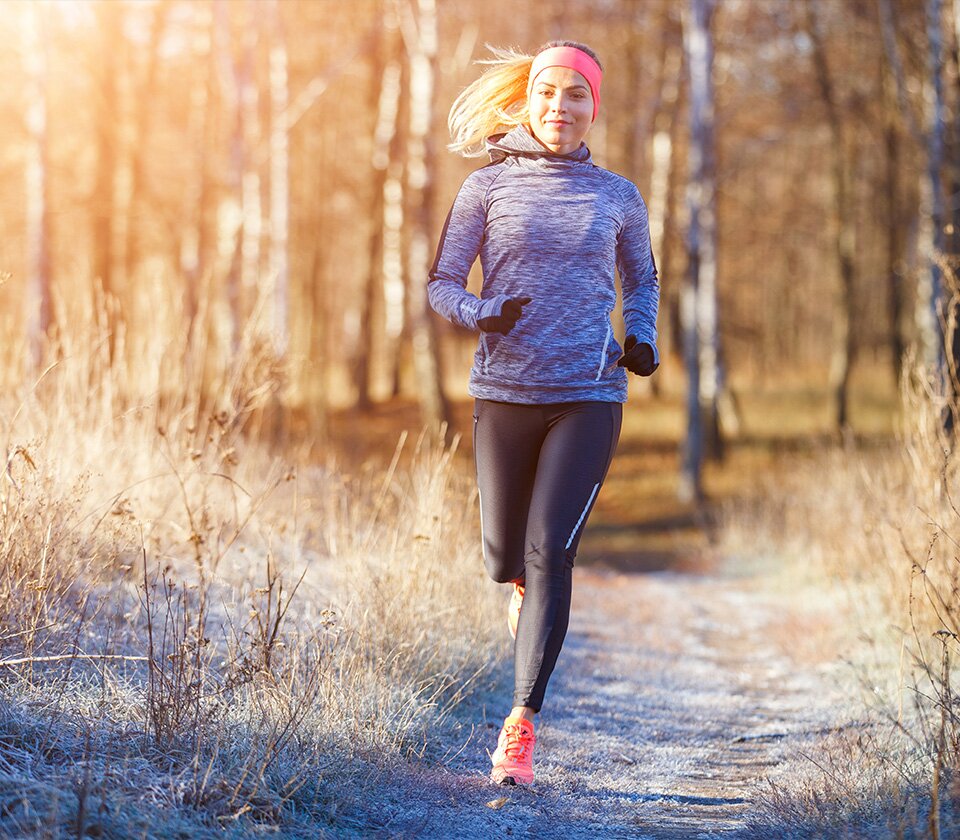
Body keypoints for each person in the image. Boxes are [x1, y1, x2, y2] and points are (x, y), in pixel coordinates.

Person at [427, 40, 660, 787]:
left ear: (596, 106)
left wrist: (642, 338)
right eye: (549, 93)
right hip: (505, 392)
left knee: (548, 551)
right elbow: (440, 283)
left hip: (589, 394)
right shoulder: (485, 189)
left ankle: (519, 729)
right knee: (505, 558)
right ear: (529, 101)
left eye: (578, 95)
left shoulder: (617, 195)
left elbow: (643, 280)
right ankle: (525, 592)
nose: (562, 106)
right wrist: (483, 313)